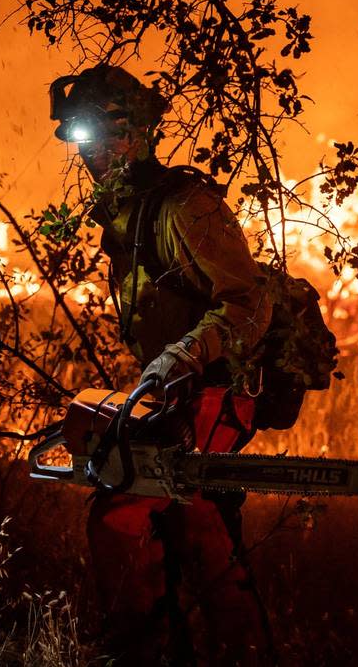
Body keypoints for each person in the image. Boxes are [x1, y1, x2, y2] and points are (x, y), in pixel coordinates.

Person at [49, 64, 273, 664]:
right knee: (196, 528)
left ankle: (144, 651)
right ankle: (217, 648)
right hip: (179, 391)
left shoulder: (186, 206)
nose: (94, 154)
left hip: (218, 388)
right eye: (83, 140)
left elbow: (249, 304)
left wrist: (181, 356)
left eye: (106, 136)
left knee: (123, 515)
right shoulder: (126, 212)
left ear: (140, 132)